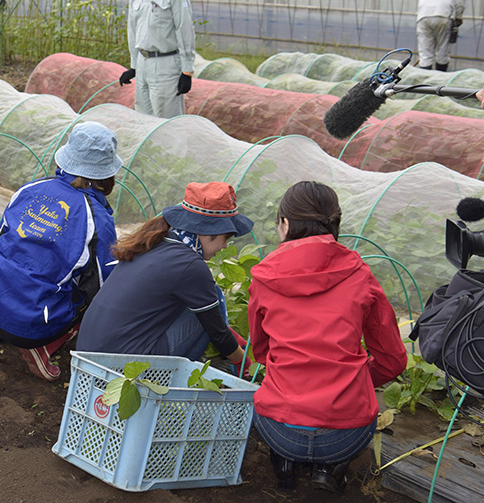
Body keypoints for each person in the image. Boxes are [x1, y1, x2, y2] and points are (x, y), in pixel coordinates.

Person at [248, 181, 407, 493]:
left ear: (285, 223)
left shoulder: (264, 276)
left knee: (268, 405)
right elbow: (393, 359)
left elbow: (261, 351)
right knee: (346, 423)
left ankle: (284, 465)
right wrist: (359, 378)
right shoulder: (360, 274)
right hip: (346, 432)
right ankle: (330, 467)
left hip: (280, 427)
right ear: (335, 224)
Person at [0, 122, 122, 382]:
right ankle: (44, 346)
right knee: (96, 299)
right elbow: (102, 285)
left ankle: (18, 320)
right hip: (30, 325)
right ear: (106, 174)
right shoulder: (95, 217)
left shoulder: (30, 189)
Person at [76, 181, 252, 369]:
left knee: (203, 302)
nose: (225, 246)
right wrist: (245, 363)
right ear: (210, 232)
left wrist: (227, 332)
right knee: (210, 302)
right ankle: (175, 378)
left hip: (87, 356)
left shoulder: (154, 242)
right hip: (122, 368)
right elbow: (218, 334)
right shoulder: (191, 265)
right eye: (226, 239)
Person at [118, 0, 196, 119]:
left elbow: (184, 30)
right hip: (144, 64)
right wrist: (134, 66)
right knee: (143, 119)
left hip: (166, 66)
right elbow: (133, 29)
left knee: (167, 124)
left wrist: (186, 70)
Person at [416, 0, 466, 71]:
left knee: (425, 55)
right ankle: (440, 82)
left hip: (422, 16)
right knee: (442, 52)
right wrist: (458, 16)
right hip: (443, 14)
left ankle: (423, 83)